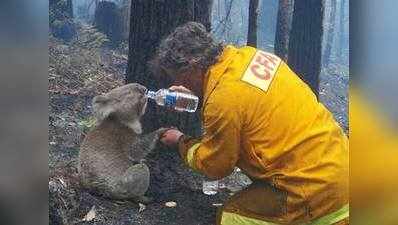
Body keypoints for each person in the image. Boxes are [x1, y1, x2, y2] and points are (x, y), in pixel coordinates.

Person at [151, 22, 349, 225]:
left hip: (314, 191)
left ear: (192, 67)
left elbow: (215, 166)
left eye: (178, 78)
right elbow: (242, 107)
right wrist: (201, 98)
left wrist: (181, 141)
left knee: (232, 217)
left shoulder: (223, 99)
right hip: (343, 167)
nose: (178, 85)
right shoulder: (249, 56)